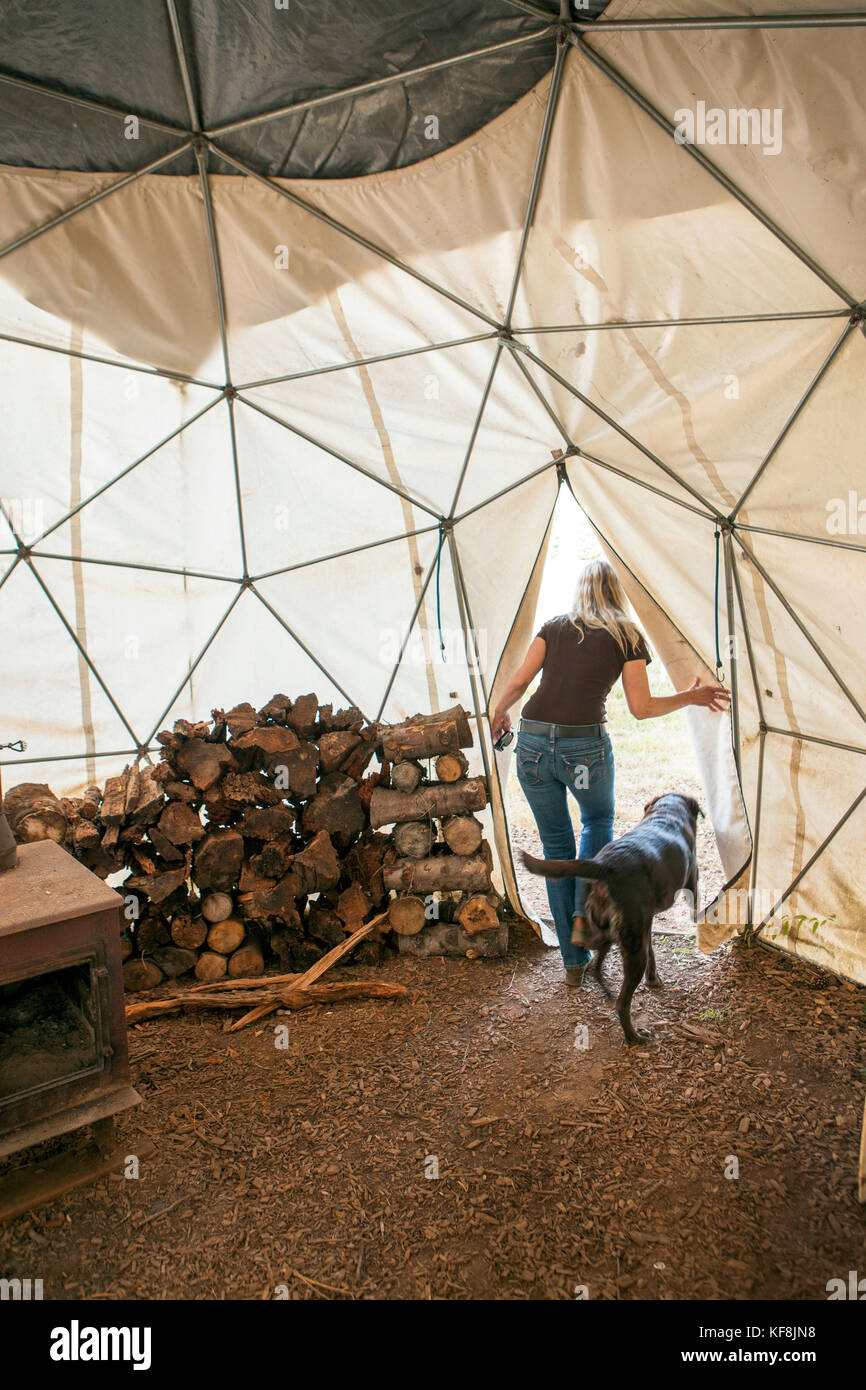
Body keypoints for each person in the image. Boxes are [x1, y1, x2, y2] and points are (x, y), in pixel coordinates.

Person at [490, 559, 730, 986]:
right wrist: (691, 697)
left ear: (579, 590)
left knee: (556, 844)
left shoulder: (553, 627)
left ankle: (572, 962)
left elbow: (520, 682)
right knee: (596, 822)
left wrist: (499, 712)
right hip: (584, 751)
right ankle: (587, 918)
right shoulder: (626, 635)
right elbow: (642, 708)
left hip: (531, 746)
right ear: (615, 592)